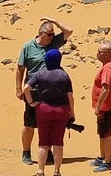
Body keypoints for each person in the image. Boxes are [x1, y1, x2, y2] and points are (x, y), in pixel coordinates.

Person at [14, 17, 72, 165]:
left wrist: (54, 21)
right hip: (33, 89)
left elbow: (69, 31)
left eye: (53, 34)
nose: (52, 37)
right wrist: (18, 89)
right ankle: (26, 152)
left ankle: (47, 152)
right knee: (29, 123)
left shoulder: (54, 43)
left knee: (48, 122)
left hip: (51, 89)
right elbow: (20, 69)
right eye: (49, 34)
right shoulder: (28, 47)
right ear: (40, 33)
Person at [26, 47, 76, 176]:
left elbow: (26, 88)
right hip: (61, 110)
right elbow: (70, 96)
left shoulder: (41, 73)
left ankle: (40, 171)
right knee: (58, 141)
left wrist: (31, 102)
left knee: (43, 141)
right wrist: (72, 112)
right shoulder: (64, 75)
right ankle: (57, 171)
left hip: (44, 109)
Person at [88, 42, 111, 171]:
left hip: (106, 107)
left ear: (107, 54)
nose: (97, 54)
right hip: (107, 106)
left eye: (99, 52)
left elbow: (105, 89)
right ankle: (102, 157)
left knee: (106, 133)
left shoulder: (108, 69)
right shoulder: (109, 66)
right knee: (102, 132)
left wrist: (98, 106)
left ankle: (108, 162)